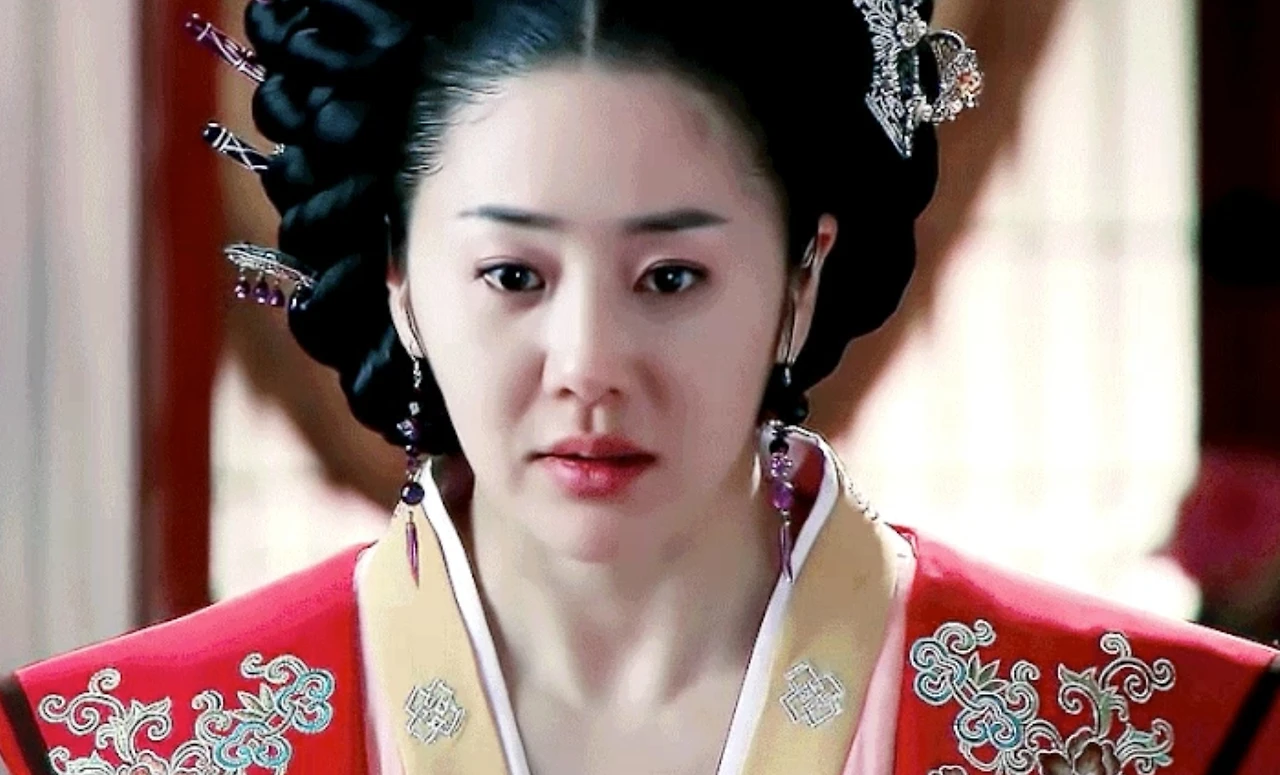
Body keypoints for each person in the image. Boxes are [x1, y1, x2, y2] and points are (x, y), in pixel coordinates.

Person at [2, 1, 1277, 773]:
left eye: (670, 277)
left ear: (799, 278)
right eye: (512, 275)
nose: (588, 365)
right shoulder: (113, 748)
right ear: (398, 279)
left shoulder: (1178, 737)